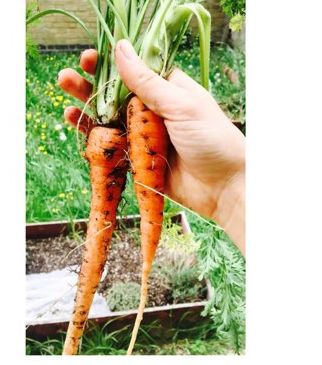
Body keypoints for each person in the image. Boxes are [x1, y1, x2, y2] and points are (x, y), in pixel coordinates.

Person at [58, 39, 245, 256]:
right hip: (112, 133)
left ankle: (143, 286)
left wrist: (232, 183)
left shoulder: (141, 110)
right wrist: (234, 183)